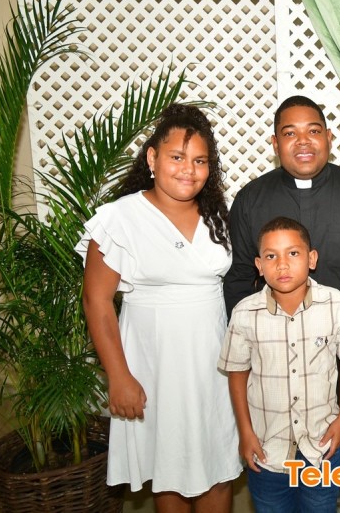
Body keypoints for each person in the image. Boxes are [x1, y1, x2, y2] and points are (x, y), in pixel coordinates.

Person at [223, 95, 340, 513]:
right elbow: (238, 279)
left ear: (329, 138)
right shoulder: (250, 199)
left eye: (313, 131)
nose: (303, 141)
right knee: (283, 471)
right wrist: (251, 348)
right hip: (278, 358)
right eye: (290, 133)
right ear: (275, 143)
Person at [77, 104, 241, 512]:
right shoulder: (119, 219)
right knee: (168, 468)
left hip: (213, 365)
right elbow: (96, 300)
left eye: (200, 160)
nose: (189, 169)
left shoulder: (217, 216)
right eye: (177, 157)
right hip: (154, 365)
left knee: (219, 465)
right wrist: (118, 376)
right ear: (152, 158)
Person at [218, 217, 340, 512]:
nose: (282, 264)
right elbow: (237, 372)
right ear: (259, 265)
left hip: (321, 450)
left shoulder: (336, 304)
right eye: (271, 256)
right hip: (267, 452)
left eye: (293, 253)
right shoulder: (245, 313)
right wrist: (245, 432)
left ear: (311, 259)